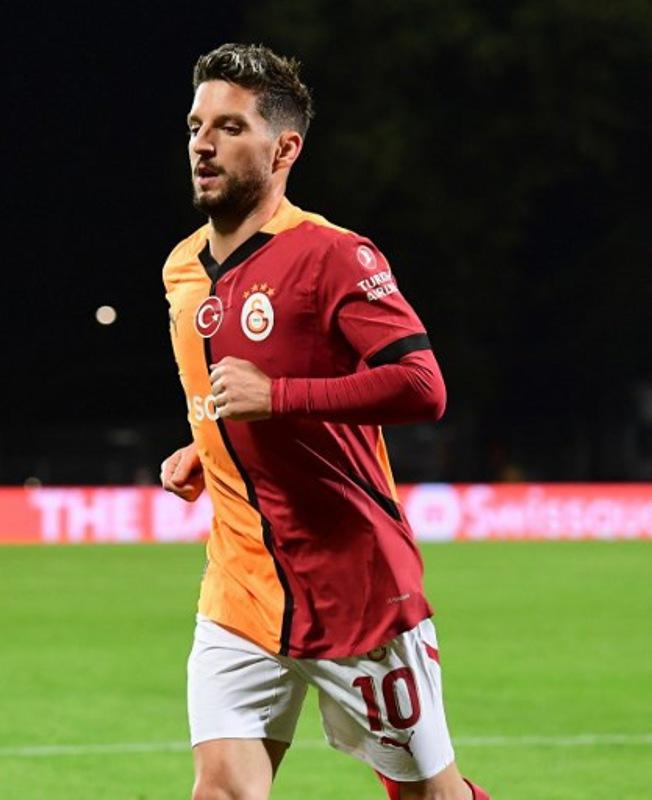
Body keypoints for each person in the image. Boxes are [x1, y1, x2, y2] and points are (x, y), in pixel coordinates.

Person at [160, 44, 490, 800]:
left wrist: (280, 398)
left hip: (355, 591)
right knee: (220, 793)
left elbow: (421, 387)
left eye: (230, 127)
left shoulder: (335, 256)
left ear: (284, 148)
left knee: (426, 795)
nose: (203, 144)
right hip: (240, 588)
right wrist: (206, 448)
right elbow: (233, 405)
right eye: (195, 125)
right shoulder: (182, 268)